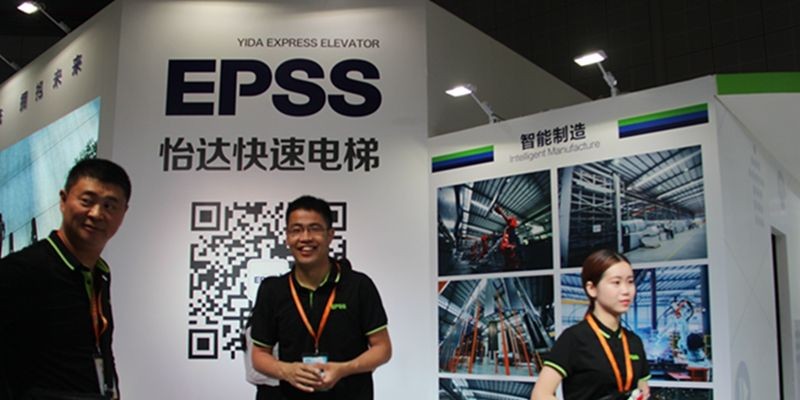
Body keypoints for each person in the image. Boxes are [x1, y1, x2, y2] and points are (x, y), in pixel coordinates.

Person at [0, 158, 131, 400]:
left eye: (110, 206)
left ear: (124, 212)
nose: (96, 214)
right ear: (63, 200)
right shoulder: (20, 271)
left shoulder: (100, 273)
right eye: (87, 201)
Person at [250, 195, 392, 400]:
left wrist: (344, 369)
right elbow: (259, 354)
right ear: (287, 237)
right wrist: (287, 371)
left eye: (314, 229)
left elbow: (382, 348)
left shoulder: (358, 286)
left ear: (330, 235)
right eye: (296, 230)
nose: (305, 238)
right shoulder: (273, 290)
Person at [531, 249, 650, 400]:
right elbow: (540, 395)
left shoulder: (634, 342)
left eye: (630, 282)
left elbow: (643, 388)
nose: (626, 290)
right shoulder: (574, 338)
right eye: (616, 282)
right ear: (592, 288)